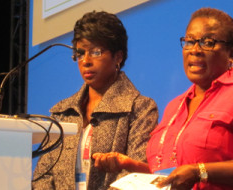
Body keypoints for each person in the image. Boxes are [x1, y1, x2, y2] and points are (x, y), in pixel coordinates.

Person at [92, 8, 233, 190]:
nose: (195, 50)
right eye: (190, 41)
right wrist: (130, 165)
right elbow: (173, 176)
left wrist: (199, 171)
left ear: (231, 54)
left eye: (208, 42)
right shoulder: (174, 107)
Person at [32, 11, 159, 190]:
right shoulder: (62, 112)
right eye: (80, 53)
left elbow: (135, 176)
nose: (86, 61)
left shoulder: (140, 108)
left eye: (96, 52)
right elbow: (43, 176)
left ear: (118, 57)